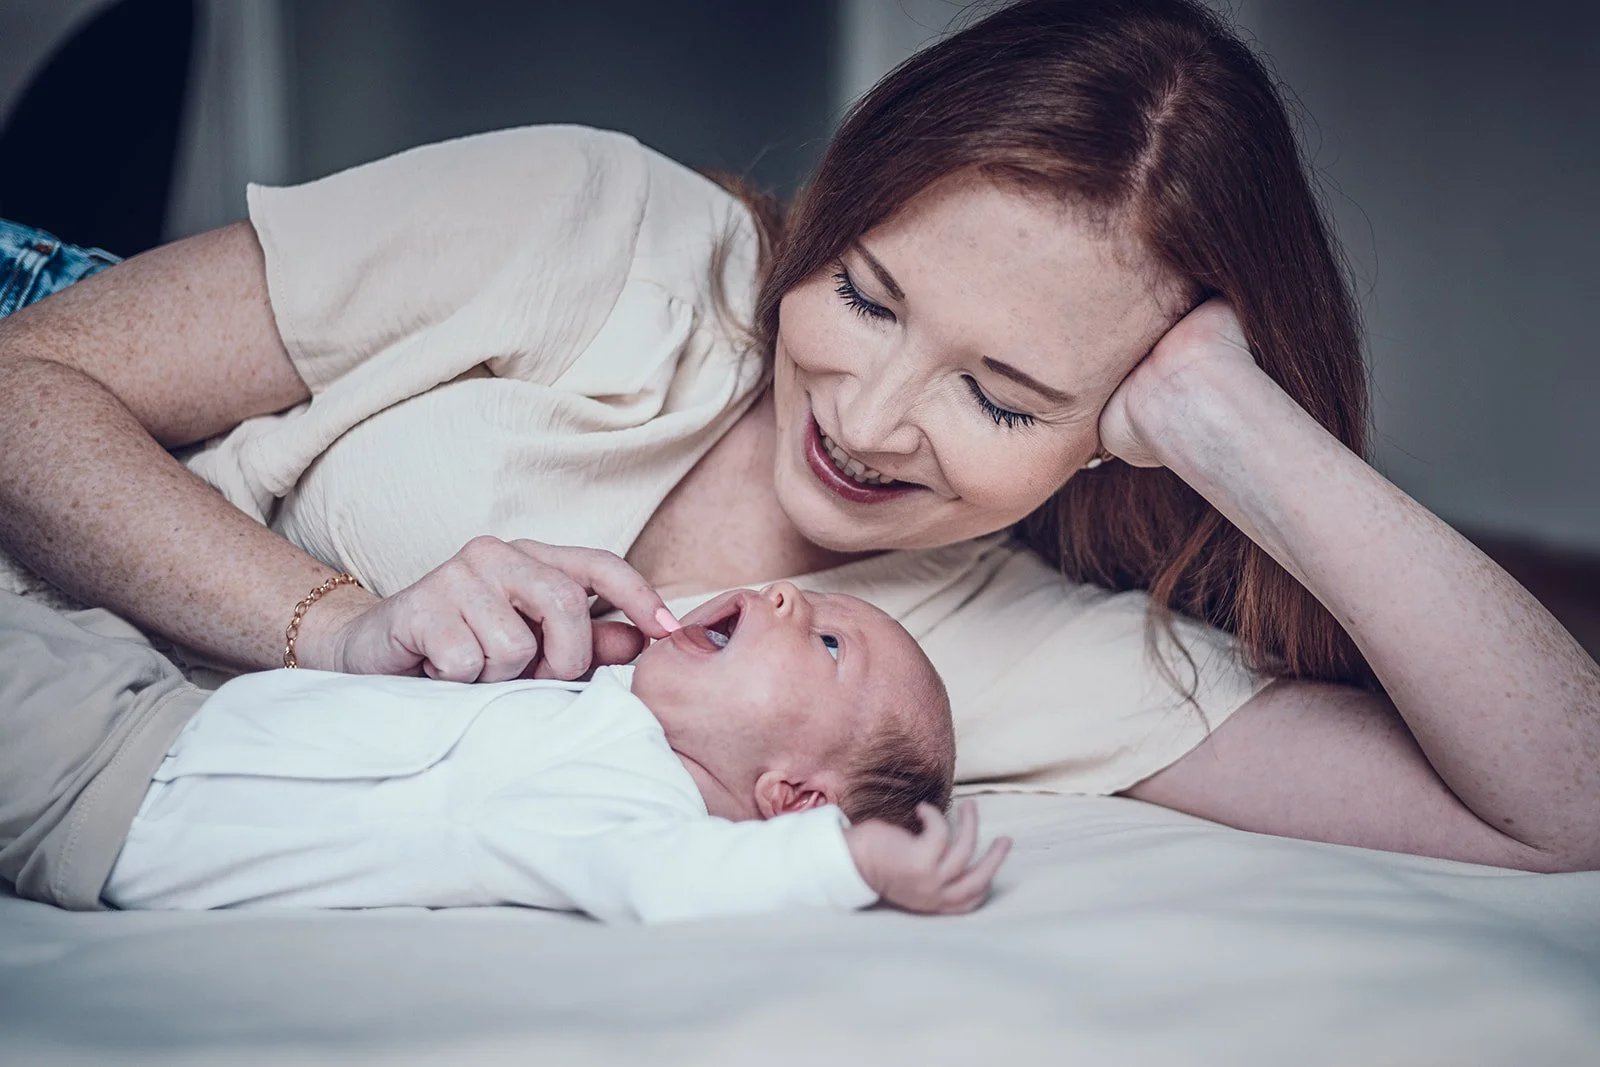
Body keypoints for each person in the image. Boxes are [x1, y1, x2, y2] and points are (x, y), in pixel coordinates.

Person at [0, 0, 1595, 881]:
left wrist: (1239, 424)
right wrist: (330, 618)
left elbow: (1567, 805)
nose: (871, 421)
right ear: (828, 212)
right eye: (867, 293)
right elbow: (28, 387)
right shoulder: (594, 227)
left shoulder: (1021, 658)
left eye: (1007, 396)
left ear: (1115, 431)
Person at [97, 582, 1007, 921]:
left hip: (120, 796)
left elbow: (676, 877)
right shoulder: (613, 705)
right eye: (804, 597)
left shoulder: (628, 805)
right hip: (156, 702)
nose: (780, 598)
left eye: (830, 645)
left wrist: (852, 859)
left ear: (796, 800)